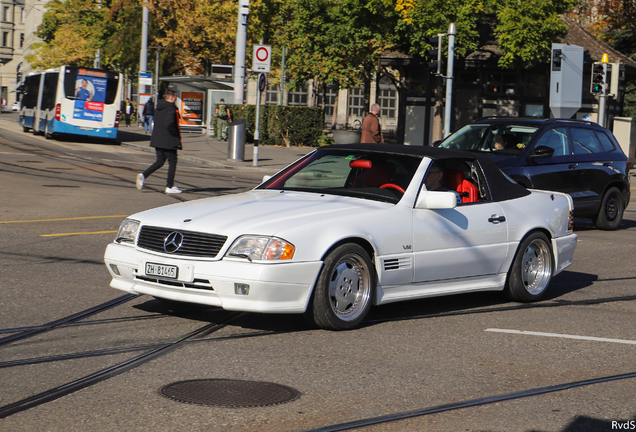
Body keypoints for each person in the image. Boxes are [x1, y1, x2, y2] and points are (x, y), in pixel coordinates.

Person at [136, 89, 183, 194]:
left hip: (158, 139)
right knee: (173, 162)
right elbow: (169, 123)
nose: (175, 99)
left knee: (160, 161)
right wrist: (175, 134)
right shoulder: (171, 109)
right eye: (175, 97)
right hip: (168, 140)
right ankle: (169, 186)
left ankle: (144, 175)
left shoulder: (158, 108)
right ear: (171, 97)